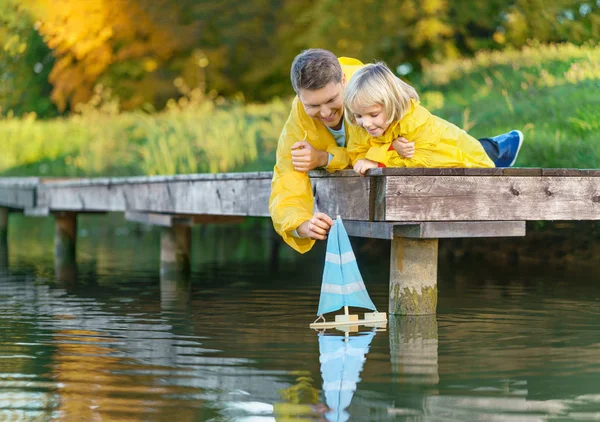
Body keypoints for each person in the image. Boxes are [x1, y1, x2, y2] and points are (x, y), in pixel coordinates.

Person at [269, 49, 523, 253]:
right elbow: (285, 180)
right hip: (371, 159)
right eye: (313, 105)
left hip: (419, 148)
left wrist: (329, 157)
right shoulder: (298, 120)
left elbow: (419, 138)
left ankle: (495, 148)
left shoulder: (370, 86)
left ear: (344, 82)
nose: (325, 113)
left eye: (332, 101)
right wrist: (299, 224)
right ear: (299, 98)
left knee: (456, 154)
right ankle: (494, 148)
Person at [344, 61, 523, 174]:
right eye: (359, 115)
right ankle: (503, 146)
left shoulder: (415, 123)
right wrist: (388, 148)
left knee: (483, 160)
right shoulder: (361, 125)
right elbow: (356, 152)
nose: (365, 123)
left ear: (392, 104)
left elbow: (420, 164)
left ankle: (505, 146)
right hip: (442, 165)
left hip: (463, 160)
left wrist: (379, 161)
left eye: (373, 114)